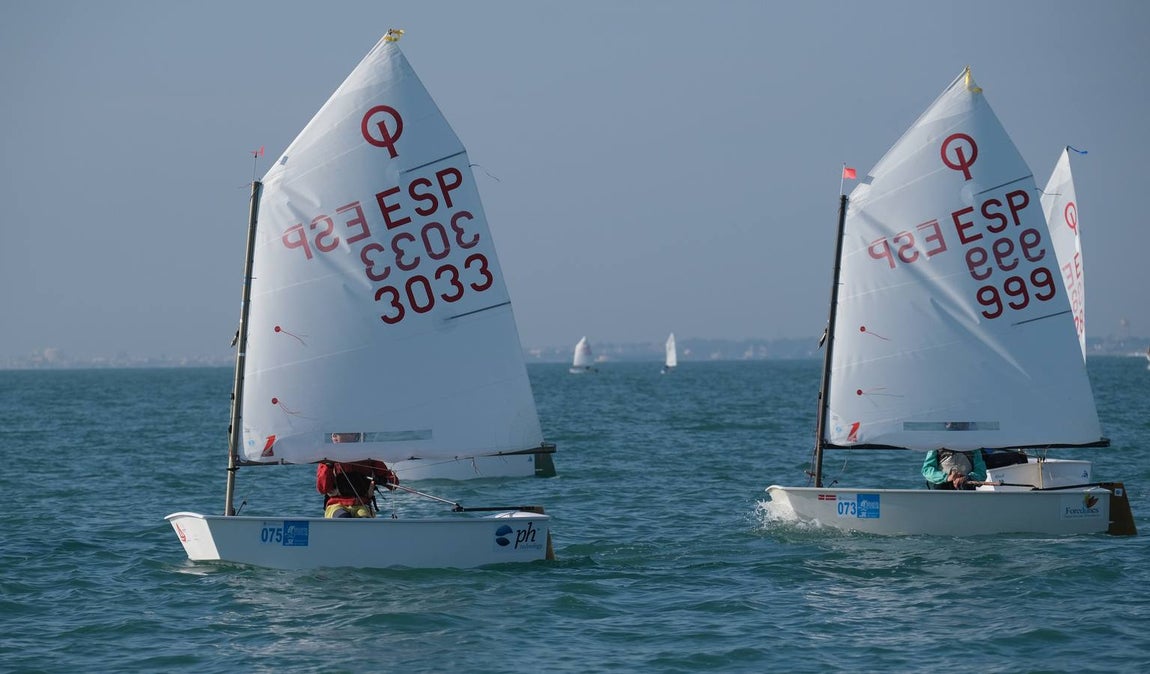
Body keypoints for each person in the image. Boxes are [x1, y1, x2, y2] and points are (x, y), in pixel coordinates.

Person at [316, 432, 399, 518]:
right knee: (344, 518)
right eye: (333, 433)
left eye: (339, 433)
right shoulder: (328, 458)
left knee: (363, 521)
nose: (334, 435)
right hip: (336, 505)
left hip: (362, 505)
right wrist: (328, 465)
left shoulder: (368, 455)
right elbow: (322, 489)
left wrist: (384, 480)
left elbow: (394, 484)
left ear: (354, 435)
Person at [922, 447, 986, 490]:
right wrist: (946, 477)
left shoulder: (974, 447)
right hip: (941, 490)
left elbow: (981, 473)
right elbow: (927, 469)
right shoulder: (936, 446)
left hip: (965, 488)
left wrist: (968, 477)